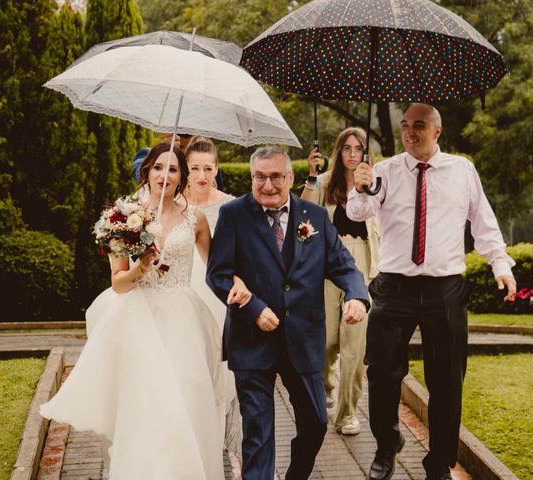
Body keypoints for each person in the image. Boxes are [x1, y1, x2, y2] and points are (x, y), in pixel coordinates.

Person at [40, 142, 250, 479]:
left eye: (173, 169)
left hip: (184, 321)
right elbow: (118, 282)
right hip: (138, 322)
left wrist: (238, 284)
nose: (164, 175)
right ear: (146, 171)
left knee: (186, 397)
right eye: (158, 168)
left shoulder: (194, 219)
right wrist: (141, 268)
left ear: (181, 177)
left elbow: (217, 269)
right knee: (145, 405)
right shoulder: (123, 217)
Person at [348, 103, 517, 480]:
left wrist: (500, 265)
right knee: (381, 374)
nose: (409, 132)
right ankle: (387, 444)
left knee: (446, 380)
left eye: (419, 125)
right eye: (405, 125)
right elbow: (359, 213)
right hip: (393, 288)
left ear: (437, 131)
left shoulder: (462, 170)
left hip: (446, 290)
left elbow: (484, 223)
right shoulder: (384, 172)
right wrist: (360, 187)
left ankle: (439, 462)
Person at [206, 146, 370, 480]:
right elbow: (218, 274)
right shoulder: (233, 215)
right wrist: (253, 308)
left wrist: (357, 296)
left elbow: (344, 266)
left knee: (316, 424)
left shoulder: (316, 217)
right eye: (259, 177)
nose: (267, 185)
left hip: (304, 339)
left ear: (291, 177)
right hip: (252, 340)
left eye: (276, 177)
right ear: (252, 177)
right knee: (258, 433)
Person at [301, 127, 381, 436]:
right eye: (346, 148)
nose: (352, 154)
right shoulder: (324, 183)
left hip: (361, 265)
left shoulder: (375, 184)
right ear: (338, 151)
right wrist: (311, 173)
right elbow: (303, 210)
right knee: (327, 343)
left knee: (353, 348)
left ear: (365, 153)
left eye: (358, 148)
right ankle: (326, 386)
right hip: (327, 266)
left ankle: (347, 414)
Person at [183, 135, 242, 464]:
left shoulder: (230, 205)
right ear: (185, 169)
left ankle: (234, 451)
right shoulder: (172, 203)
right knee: (190, 370)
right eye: (195, 168)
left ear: (217, 168)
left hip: (218, 293)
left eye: (208, 167)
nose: (202, 175)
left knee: (224, 372)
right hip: (182, 291)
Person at [132, 132, 225, 190]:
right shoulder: (145, 154)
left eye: (186, 149)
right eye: (179, 147)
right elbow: (141, 177)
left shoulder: (208, 167)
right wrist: (163, 152)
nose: (182, 153)